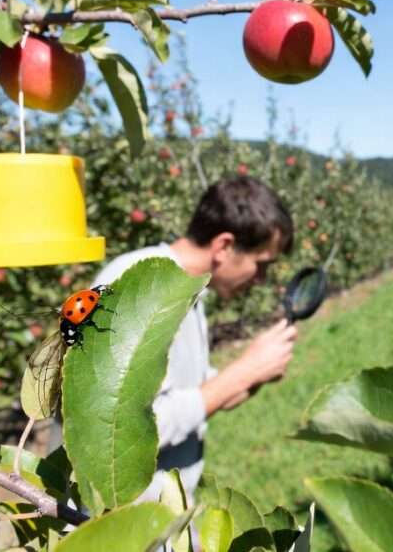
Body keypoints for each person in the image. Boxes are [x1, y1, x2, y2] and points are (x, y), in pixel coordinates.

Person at [89, 175, 299, 502]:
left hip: (158, 515)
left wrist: (256, 374)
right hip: (113, 520)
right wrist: (244, 371)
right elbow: (122, 431)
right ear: (224, 246)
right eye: (261, 265)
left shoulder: (188, 290)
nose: (261, 280)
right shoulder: (136, 288)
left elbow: (190, 392)